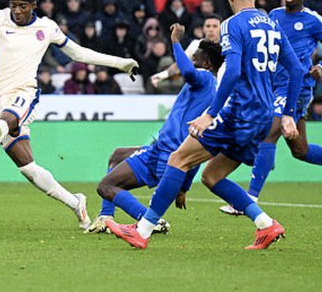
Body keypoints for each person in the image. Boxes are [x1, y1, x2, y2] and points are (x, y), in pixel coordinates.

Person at [106, 0, 303, 250]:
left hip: (239, 112)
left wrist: (211, 113)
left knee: (178, 159)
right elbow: (296, 68)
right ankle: (266, 224)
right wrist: (288, 115)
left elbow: (233, 71)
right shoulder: (272, 25)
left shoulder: (232, 25)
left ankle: (143, 230)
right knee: (212, 176)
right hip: (263, 116)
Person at [0, 0, 138, 229]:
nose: (17, 11)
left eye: (23, 6)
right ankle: (75, 203)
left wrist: (120, 63)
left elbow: (78, 53)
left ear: (33, 7)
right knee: (28, 168)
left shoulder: (47, 27)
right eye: (14, 6)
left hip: (24, 95)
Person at [220, 0, 322, 216]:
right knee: (300, 150)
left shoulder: (313, 20)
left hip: (298, 86)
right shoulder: (273, 15)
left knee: (268, 134)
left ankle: (249, 199)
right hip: (272, 85)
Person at [88, 24, 223, 234]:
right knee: (117, 155)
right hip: (163, 152)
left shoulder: (204, 78)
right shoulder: (210, 89)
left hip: (165, 156)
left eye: (195, 57)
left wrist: (175, 41)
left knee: (106, 187)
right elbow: (196, 151)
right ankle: (106, 217)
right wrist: (184, 188)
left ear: (206, 63)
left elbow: (186, 71)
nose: (191, 60)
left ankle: (148, 221)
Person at [150, 14, 223, 87]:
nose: (211, 29)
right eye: (208, 26)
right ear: (203, 29)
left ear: (221, 28)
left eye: (215, 26)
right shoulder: (195, 45)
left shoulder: (227, 46)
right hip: (200, 88)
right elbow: (180, 65)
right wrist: (162, 75)